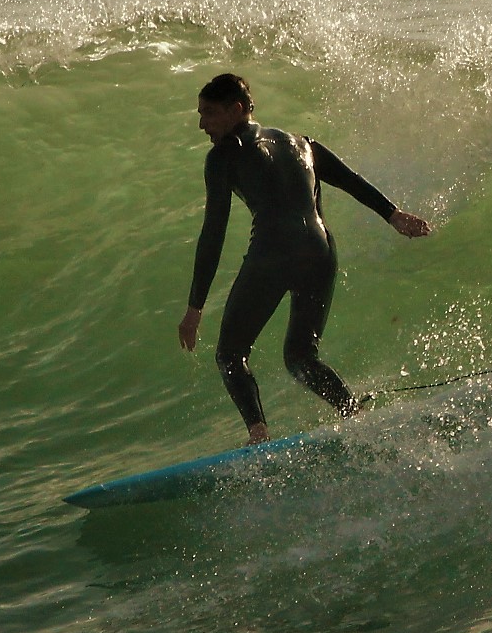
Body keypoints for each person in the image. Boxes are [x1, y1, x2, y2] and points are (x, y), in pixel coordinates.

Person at [176, 73, 432, 444]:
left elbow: (213, 231)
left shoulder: (223, 156)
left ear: (236, 110)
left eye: (210, 114)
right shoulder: (301, 143)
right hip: (320, 252)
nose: (202, 124)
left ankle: (259, 433)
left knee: (230, 354)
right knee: (300, 358)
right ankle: (354, 415)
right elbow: (351, 180)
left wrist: (195, 307)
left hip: (272, 253)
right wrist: (393, 215)